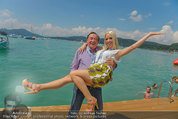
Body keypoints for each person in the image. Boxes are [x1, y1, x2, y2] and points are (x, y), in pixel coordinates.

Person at [22, 31, 162, 111]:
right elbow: (80, 60)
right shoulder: (97, 50)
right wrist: (84, 44)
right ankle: (38, 87)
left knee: (73, 77)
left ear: (114, 40)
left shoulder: (114, 52)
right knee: (69, 78)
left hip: (97, 77)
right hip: (85, 80)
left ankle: (89, 98)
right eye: (106, 38)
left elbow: (131, 48)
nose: (107, 40)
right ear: (88, 40)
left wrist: (149, 34)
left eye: (110, 38)